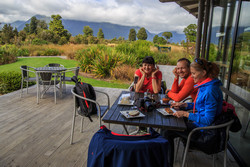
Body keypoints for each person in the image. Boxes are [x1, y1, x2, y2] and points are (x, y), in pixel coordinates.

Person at [162, 58, 223, 167]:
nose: (192, 76)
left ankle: (167, 164)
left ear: (203, 73)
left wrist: (185, 114)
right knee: (168, 125)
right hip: (199, 124)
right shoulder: (205, 85)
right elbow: (201, 107)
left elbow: (208, 120)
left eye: (194, 73)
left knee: (167, 131)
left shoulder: (210, 90)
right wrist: (185, 105)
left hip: (203, 132)